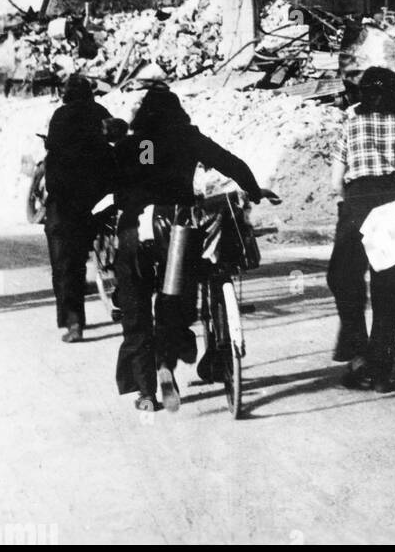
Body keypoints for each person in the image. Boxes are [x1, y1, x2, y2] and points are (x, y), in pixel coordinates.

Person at [112, 83, 279, 412]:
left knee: (135, 310)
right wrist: (254, 191)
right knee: (174, 302)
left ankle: (146, 392)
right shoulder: (188, 138)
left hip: (136, 231)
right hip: (177, 230)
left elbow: (136, 174)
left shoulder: (140, 143)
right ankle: (166, 360)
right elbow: (233, 164)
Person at [326, 66, 395, 391]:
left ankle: (357, 353)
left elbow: (335, 183)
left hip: (356, 204)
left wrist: (351, 205)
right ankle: (382, 369)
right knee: (389, 285)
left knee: (343, 277)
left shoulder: (350, 127)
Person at [43, 73, 115, 343]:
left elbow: (52, 146)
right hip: (101, 196)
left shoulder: (60, 116)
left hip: (68, 200)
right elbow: (126, 141)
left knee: (65, 262)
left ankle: (74, 322)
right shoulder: (100, 111)